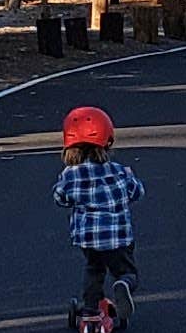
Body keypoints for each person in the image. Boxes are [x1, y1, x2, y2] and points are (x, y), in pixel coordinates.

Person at [54, 103, 144, 315]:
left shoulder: (70, 175)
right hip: (118, 238)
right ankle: (123, 284)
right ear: (108, 140)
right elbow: (137, 192)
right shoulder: (120, 172)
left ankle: (91, 308)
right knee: (127, 271)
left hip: (89, 239)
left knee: (94, 269)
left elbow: (60, 197)